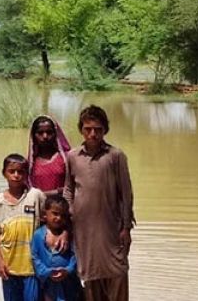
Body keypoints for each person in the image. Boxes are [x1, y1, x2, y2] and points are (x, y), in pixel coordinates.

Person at [64, 105, 135, 301]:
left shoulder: (115, 156)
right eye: (88, 129)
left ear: (105, 130)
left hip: (112, 230)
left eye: (98, 129)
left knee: (117, 274)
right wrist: (70, 212)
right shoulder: (73, 156)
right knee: (90, 278)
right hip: (84, 231)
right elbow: (68, 189)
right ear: (81, 129)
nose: (93, 134)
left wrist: (126, 227)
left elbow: (126, 194)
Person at [0, 154, 45, 301]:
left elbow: (47, 223)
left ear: (27, 174)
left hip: (32, 265)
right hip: (9, 266)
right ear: (4, 173)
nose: (16, 175)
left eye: (20, 172)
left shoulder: (36, 196)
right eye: (11, 171)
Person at [32, 194, 82, 301]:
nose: (59, 218)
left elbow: (75, 255)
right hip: (48, 284)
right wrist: (46, 272)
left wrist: (68, 270)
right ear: (45, 214)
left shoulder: (69, 236)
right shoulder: (38, 235)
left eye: (63, 216)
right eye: (55, 214)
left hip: (69, 283)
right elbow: (35, 257)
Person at [27, 115, 72, 195]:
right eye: (40, 133)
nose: (45, 136)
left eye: (49, 132)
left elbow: (76, 186)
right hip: (38, 206)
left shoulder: (66, 158)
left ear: (55, 134)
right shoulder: (29, 164)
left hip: (61, 205)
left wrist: (48, 193)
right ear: (33, 136)